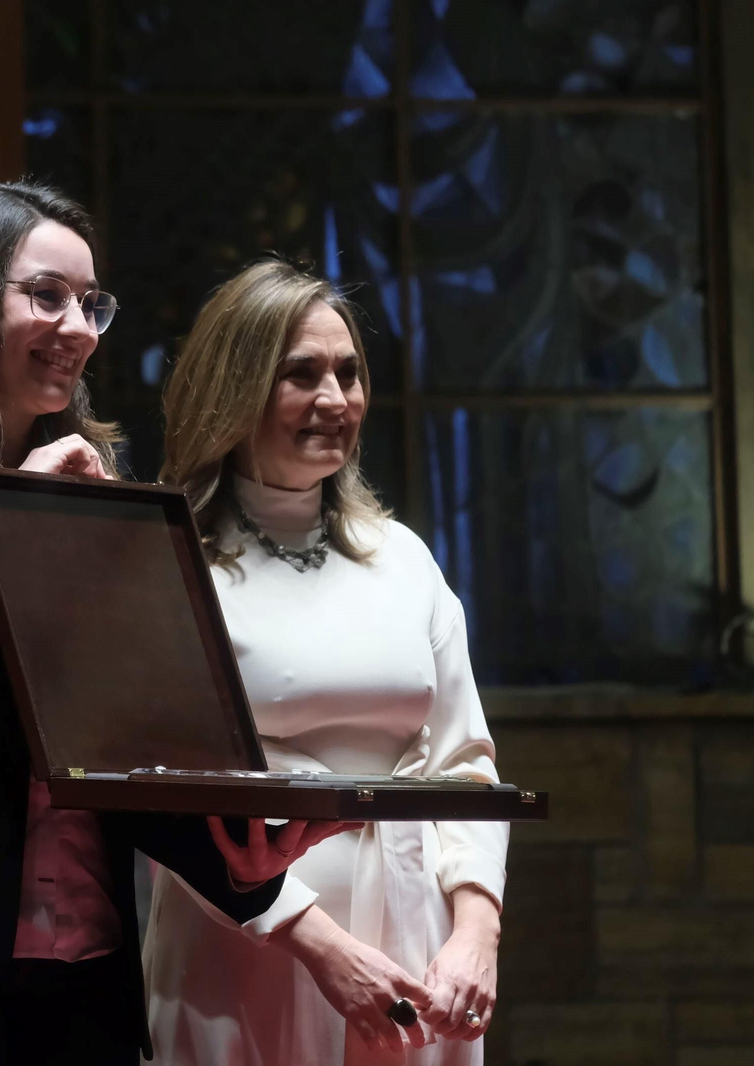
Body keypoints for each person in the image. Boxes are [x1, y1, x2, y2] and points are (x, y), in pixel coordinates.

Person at [0, 183, 344, 1065]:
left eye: (91, 304)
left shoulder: (95, 483)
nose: (80, 328)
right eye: (47, 296)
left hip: (89, 966)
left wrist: (236, 859)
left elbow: (113, 751)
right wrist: (7, 519)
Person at [143, 260, 510, 1065]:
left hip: (418, 940)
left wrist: (475, 934)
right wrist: (320, 947)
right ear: (234, 389)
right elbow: (163, 795)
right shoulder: (174, 565)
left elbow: (466, 765)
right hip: (251, 945)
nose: (336, 400)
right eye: (301, 374)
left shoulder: (403, 557)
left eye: (349, 373)